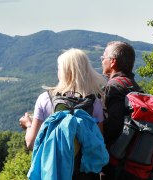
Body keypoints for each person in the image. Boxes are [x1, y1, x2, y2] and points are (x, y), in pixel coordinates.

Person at [19, 48, 107, 179]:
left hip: (53, 172)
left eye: (59, 68)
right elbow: (98, 142)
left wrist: (28, 125)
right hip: (84, 174)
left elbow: (31, 143)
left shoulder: (45, 99)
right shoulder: (95, 102)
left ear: (64, 72)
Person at [101, 41, 143, 180]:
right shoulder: (135, 87)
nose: (102, 61)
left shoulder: (114, 86)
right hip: (133, 162)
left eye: (103, 58)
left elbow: (112, 127)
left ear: (112, 62)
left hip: (115, 166)